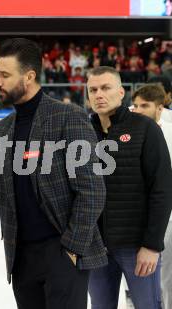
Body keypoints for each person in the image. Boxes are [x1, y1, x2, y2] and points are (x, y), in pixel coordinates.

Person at [0, 38, 108, 309]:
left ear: (29, 76)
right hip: (21, 256)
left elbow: (92, 189)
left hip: (62, 251)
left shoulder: (67, 117)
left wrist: (72, 247)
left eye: (4, 75)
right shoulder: (1, 130)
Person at [87, 66, 172, 309]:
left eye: (105, 88)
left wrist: (152, 245)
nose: (99, 95)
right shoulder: (82, 132)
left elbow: (162, 190)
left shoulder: (145, 129)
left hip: (137, 248)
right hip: (95, 248)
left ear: (121, 92)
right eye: (93, 90)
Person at [132, 84, 172, 309]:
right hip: (137, 219)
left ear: (160, 108)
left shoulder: (169, 132)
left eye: (144, 106)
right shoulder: (126, 133)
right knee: (139, 275)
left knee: (168, 276)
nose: (137, 110)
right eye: (135, 105)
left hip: (167, 216)